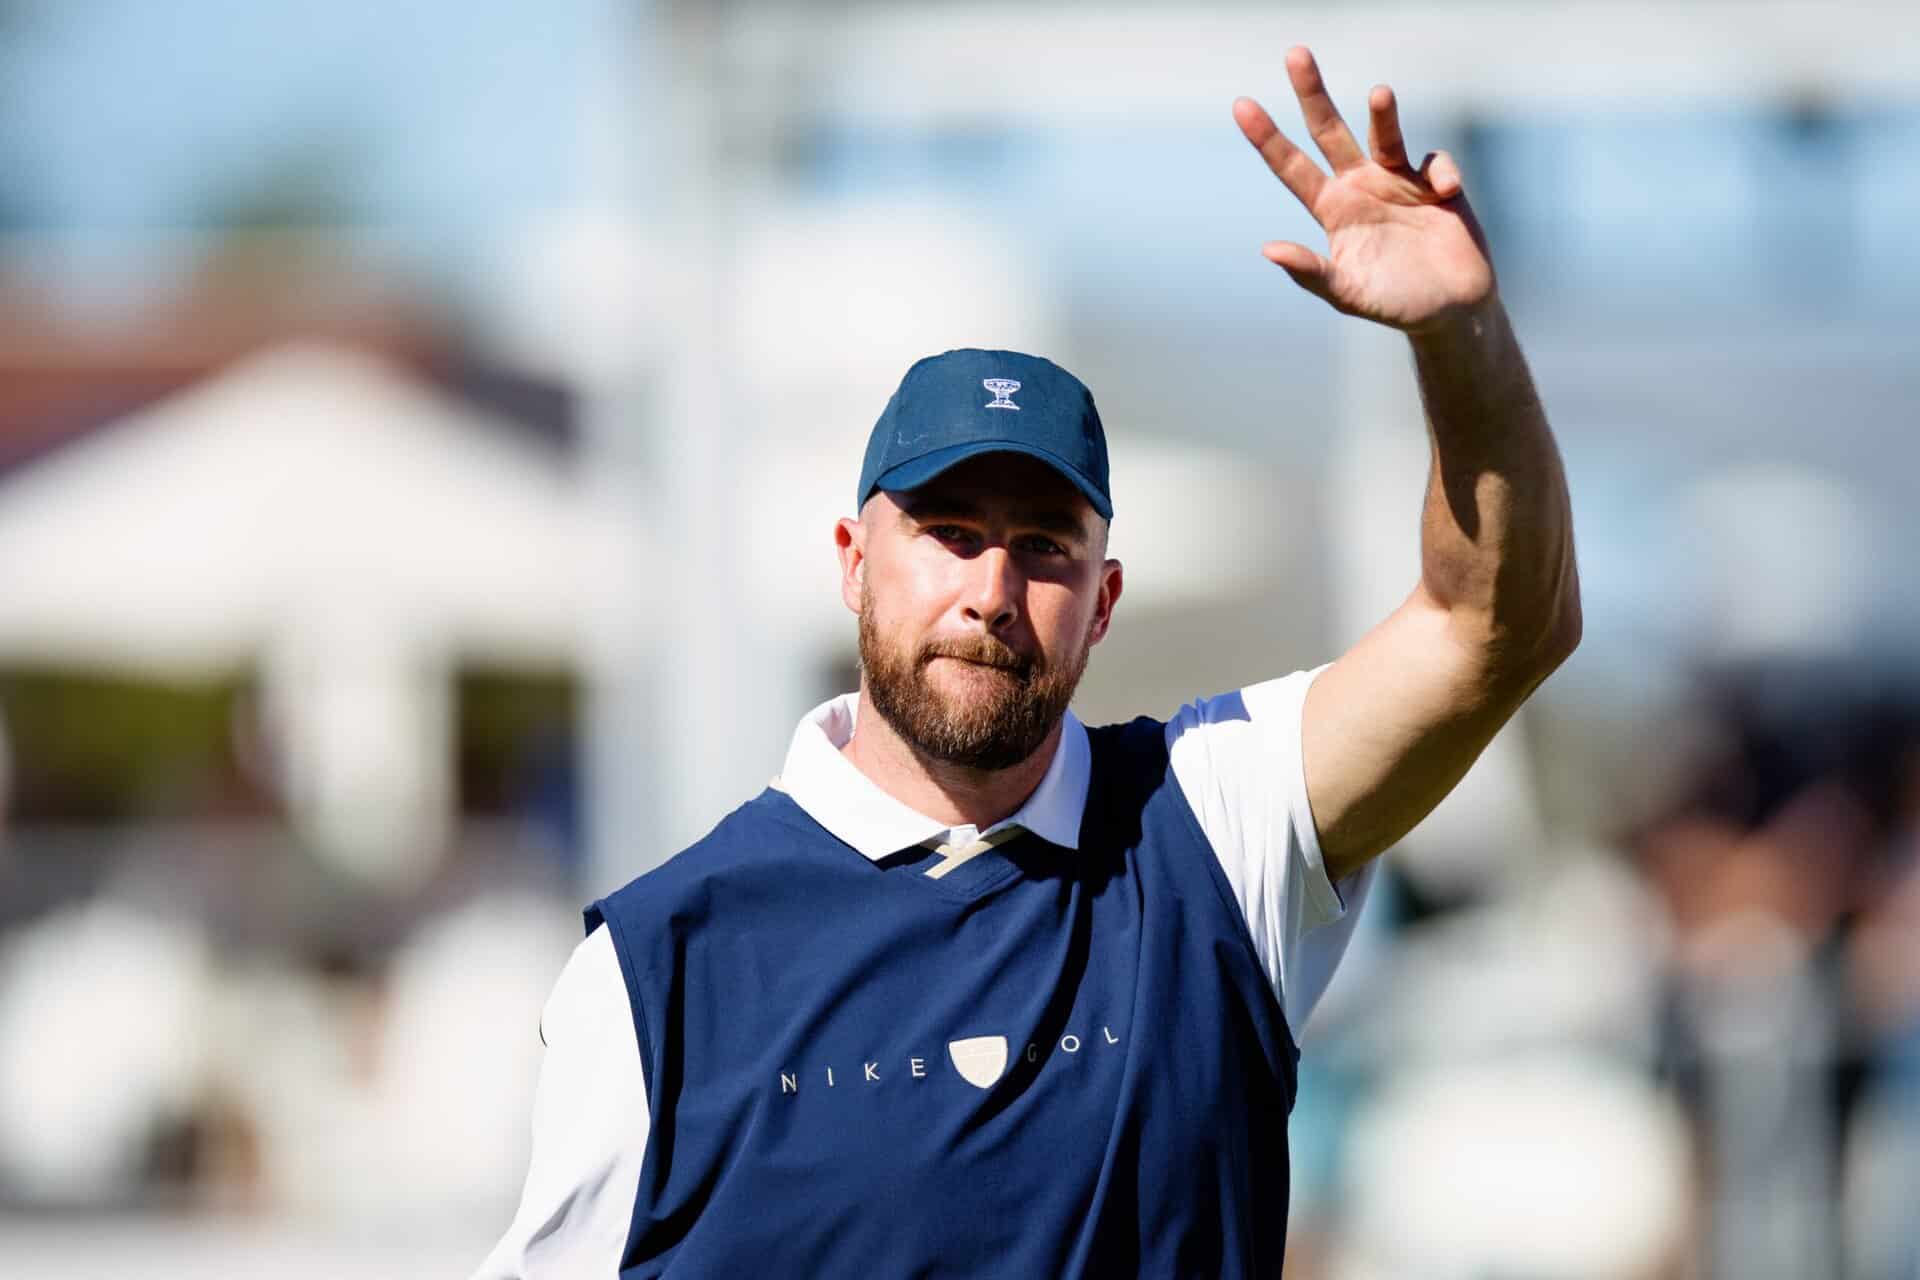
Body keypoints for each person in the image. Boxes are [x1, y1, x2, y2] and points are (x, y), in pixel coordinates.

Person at [473, 45, 1579, 1278]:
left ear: (1104, 600)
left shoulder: (1214, 821)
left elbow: (1495, 626)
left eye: (1043, 547)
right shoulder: (658, 962)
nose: (992, 592)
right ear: (853, 559)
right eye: (948, 533)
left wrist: (1461, 337)